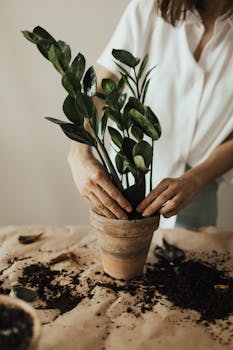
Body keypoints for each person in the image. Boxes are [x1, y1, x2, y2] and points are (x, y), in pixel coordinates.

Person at [68, 0, 233, 228]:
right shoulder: (149, 7)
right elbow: (102, 87)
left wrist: (195, 179)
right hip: (126, 176)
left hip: (197, 188)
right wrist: (78, 155)